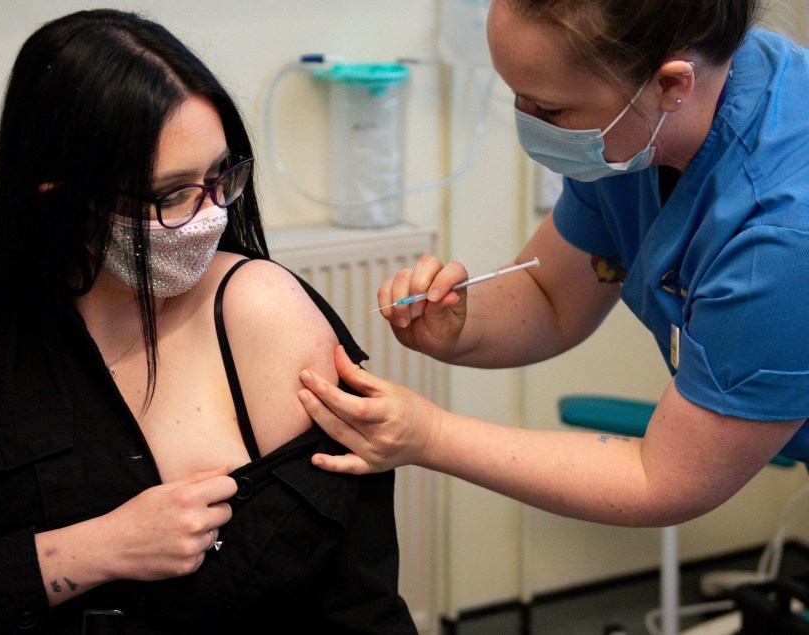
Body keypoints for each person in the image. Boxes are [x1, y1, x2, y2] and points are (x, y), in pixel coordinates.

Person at [0, 9, 416, 634]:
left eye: (222, 176)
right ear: (60, 197)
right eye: (171, 195)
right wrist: (98, 549)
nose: (210, 216)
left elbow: (359, 604)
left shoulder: (264, 310)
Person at [298, 0, 809, 530]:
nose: (529, 123)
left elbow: (660, 479)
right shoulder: (647, 123)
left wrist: (430, 436)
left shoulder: (781, 237)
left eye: (551, 111)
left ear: (670, 87)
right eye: (516, 95)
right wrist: (459, 324)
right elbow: (551, 296)